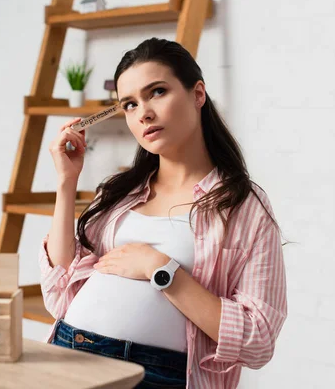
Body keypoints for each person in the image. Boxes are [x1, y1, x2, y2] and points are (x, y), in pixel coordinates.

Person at [39, 38, 288, 389]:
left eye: (157, 92)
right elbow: (60, 287)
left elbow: (258, 339)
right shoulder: (118, 194)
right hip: (69, 355)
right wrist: (66, 182)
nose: (143, 113)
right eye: (129, 104)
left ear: (198, 94)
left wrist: (158, 267)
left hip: (157, 375)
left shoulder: (242, 204)